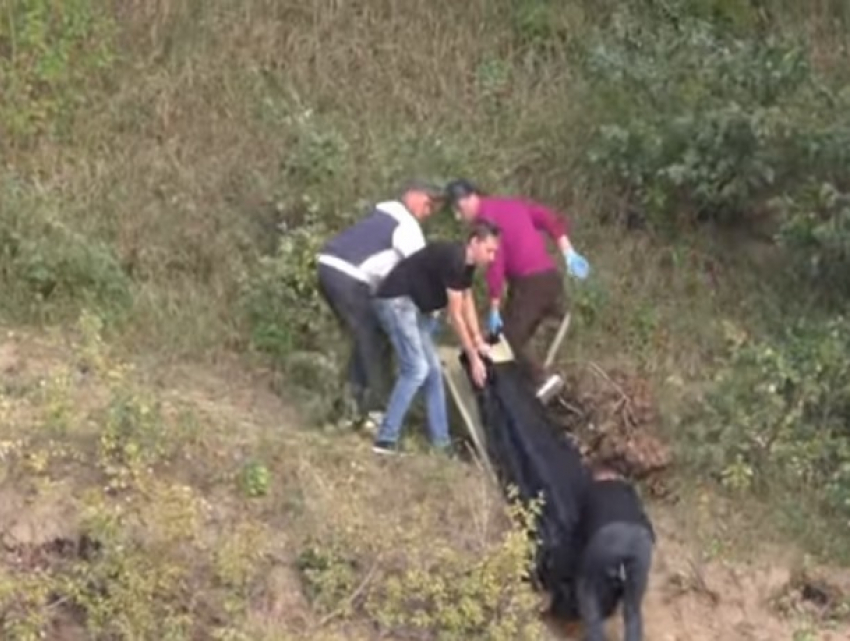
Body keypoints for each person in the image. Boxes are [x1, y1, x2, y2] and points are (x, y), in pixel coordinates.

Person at [445, 179, 590, 401]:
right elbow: (548, 218)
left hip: (531, 284)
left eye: (458, 209)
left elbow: (496, 263)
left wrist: (494, 304)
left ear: (469, 198)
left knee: (508, 339)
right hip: (550, 281)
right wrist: (567, 251)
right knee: (499, 339)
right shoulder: (512, 205)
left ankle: (542, 381)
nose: (458, 217)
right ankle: (518, 389)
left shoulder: (487, 221)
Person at [316, 180, 444, 430]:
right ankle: (368, 411)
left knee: (367, 335)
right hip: (348, 275)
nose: (427, 214)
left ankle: (350, 406)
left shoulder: (384, 215)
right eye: (428, 205)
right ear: (414, 195)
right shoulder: (406, 225)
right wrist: (434, 309)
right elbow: (423, 269)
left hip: (329, 267)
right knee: (373, 338)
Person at [371, 219, 501, 455]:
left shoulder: (467, 266)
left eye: (494, 252)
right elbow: (455, 316)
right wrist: (473, 360)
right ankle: (385, 440)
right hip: (396, 302)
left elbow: (467, 303)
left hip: (415, 310)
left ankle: (441, 444)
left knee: (433, 372)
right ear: (474, 242)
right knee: (416, 369)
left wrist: (479, 341)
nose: (492, 257)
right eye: (489, 250)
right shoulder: (454, 260)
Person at [574, 459, 656, 641]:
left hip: (607, 535)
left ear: (597, 476)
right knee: (633, 606)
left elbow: (580, 532)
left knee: (587, 588)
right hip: (642, 539)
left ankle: (595, 637)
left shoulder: (591, 491)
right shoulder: (629, 491)